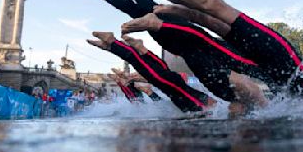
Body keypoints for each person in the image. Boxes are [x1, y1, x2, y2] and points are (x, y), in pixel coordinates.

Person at [68, 0, 272, 102]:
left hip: (181, 42)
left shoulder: (230, 82)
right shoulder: (242, 70)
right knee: (145, 7)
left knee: (143, 7)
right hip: (181, 39)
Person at [149, 0, 303, 96]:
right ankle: (216, 7)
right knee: (294, 72)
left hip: (277, 82)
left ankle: (198, 12)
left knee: (284, 73)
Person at [87, 32, 266, 115]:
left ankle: (120, 47)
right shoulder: (219, 105)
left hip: (184, 96)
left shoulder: (223, 106)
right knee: (159, 77)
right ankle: (115, 44)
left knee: (158, 77)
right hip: (188, 95)